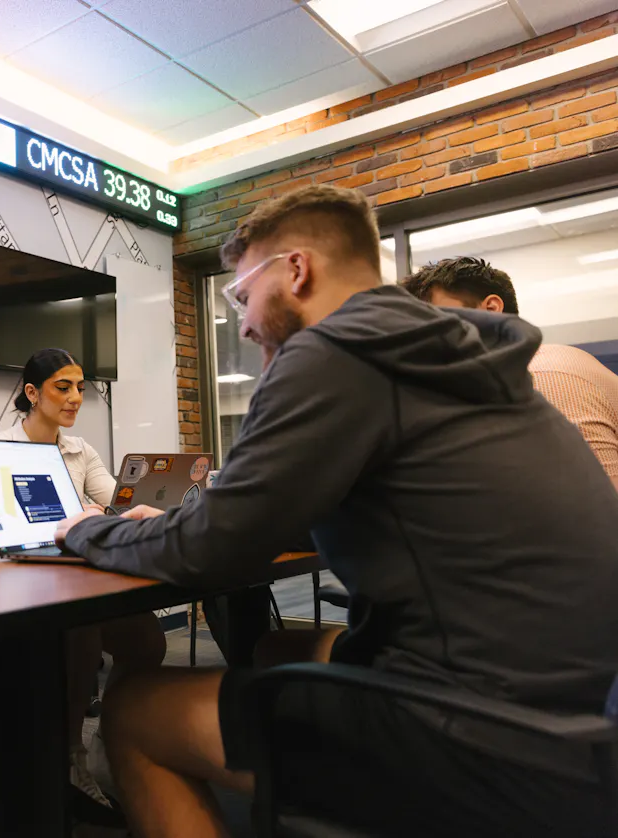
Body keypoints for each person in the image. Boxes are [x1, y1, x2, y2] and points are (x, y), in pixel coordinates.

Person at [52, 185, 618, 837]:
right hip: (577, 708)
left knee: (133, 712)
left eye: (242, 295)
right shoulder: (441, 355)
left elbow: (209, 551)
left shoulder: (338, 351)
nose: (239, 322)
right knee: (271, 646)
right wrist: (194, 521)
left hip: (490, 738)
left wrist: (85, 530)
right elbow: (279, 511)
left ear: (296, 269)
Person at [0, 348, 166, 810]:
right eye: (63, 387)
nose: (75, 398)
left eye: (80, 388)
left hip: (77, 570)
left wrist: (134, 504)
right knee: (82, 636)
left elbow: (115, 499)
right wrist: (65, 518)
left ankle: (114, 744)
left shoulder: (78, 448)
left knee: (148, 644)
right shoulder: (3, 446)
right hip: (26, 581)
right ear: (32, 393)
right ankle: (72, 756)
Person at [403, 256, 618, 490]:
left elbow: (599, 511)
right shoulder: (543, 364)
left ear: (492, 310)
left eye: (435, 322)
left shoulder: (541, 377)